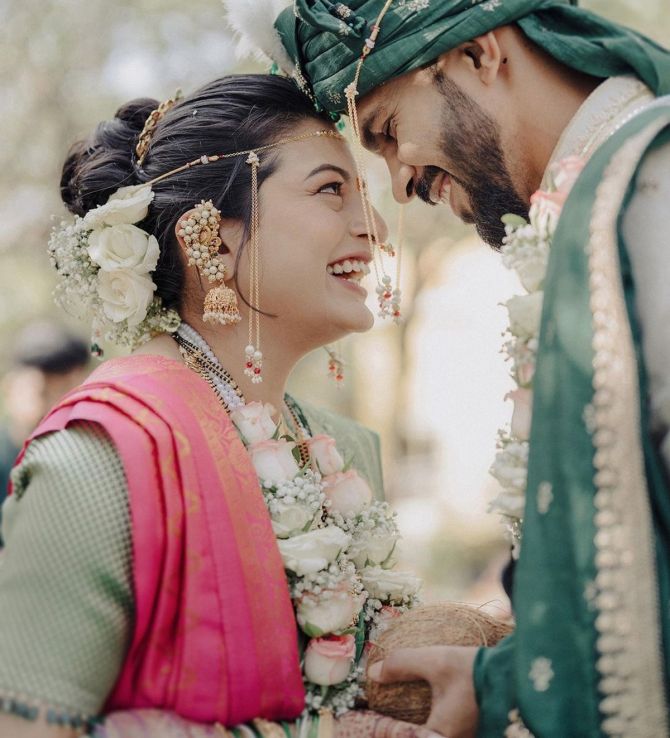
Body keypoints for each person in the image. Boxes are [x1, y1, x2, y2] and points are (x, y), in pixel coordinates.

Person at [228, 1, 670, 735]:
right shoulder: (599, 206)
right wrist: (496, 685)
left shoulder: (652, 183)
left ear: (480, 55)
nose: (398, 189)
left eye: (389, 131)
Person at [0, 74, 435, 738]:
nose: (373, 227)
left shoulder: (345, 450)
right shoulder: (100, 459)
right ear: (208, 235)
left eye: (366, 197)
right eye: (329, 190)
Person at [0, 321, 89, 529]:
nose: (52, 405)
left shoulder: (84, 459)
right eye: (41, 392)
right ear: (9, 386)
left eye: (65, 390)